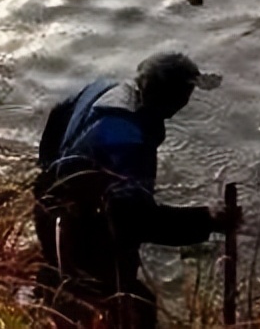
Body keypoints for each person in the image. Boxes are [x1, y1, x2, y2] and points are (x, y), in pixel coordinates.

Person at [34, 52, 239, 329]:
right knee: (134, 305)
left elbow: (60, 112)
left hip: (48, 201)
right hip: (72, 225)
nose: (186, 101)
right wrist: (208, 219)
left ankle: (51, 300)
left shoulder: (107, 89)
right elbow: (137, 221)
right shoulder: (126, 138)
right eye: (185, 94)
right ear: (174, 99)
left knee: (66, 283)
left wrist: (54, 169)